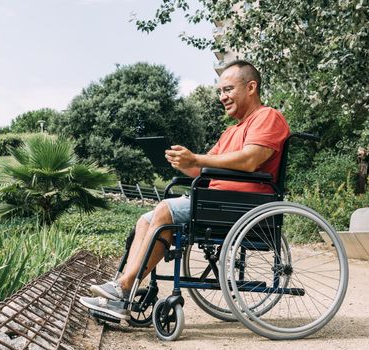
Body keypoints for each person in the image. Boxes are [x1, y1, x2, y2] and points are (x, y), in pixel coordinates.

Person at [79, 60, 290, 320]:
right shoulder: (230, 132)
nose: (222, 97)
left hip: (240, 205)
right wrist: (180, 161)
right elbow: (202, 170)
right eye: (219, 92)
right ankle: (121, 292)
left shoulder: (267, 117)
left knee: (164, 209)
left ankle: (123, 287)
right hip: (216, 201)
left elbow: (250, 160)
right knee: (145, 221)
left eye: (227, 90)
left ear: (251, 87)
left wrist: (198, 159)